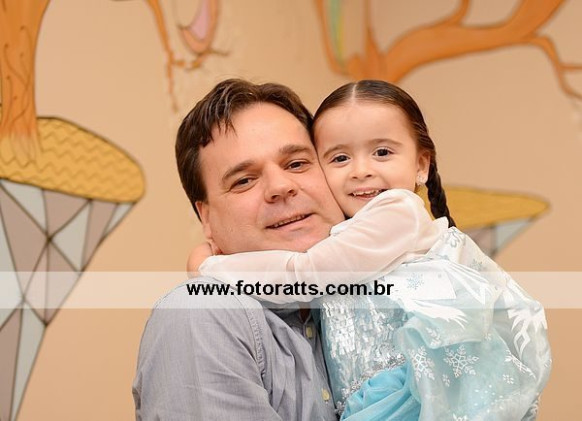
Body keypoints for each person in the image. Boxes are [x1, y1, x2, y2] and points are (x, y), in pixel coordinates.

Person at [195, 80, 552, 420]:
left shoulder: (397, 213)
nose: (361, 170)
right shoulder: (348, 237)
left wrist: (212, 267)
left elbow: (303, 274)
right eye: (339, 158)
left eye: (382, 152)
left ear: (421, 165)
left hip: (408, 389)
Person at [133, 79, 347, 420]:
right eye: (244, 180)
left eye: (296, 163)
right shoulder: (201, 314)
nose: (280, 186)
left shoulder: (366, 297)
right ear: (207, 219)